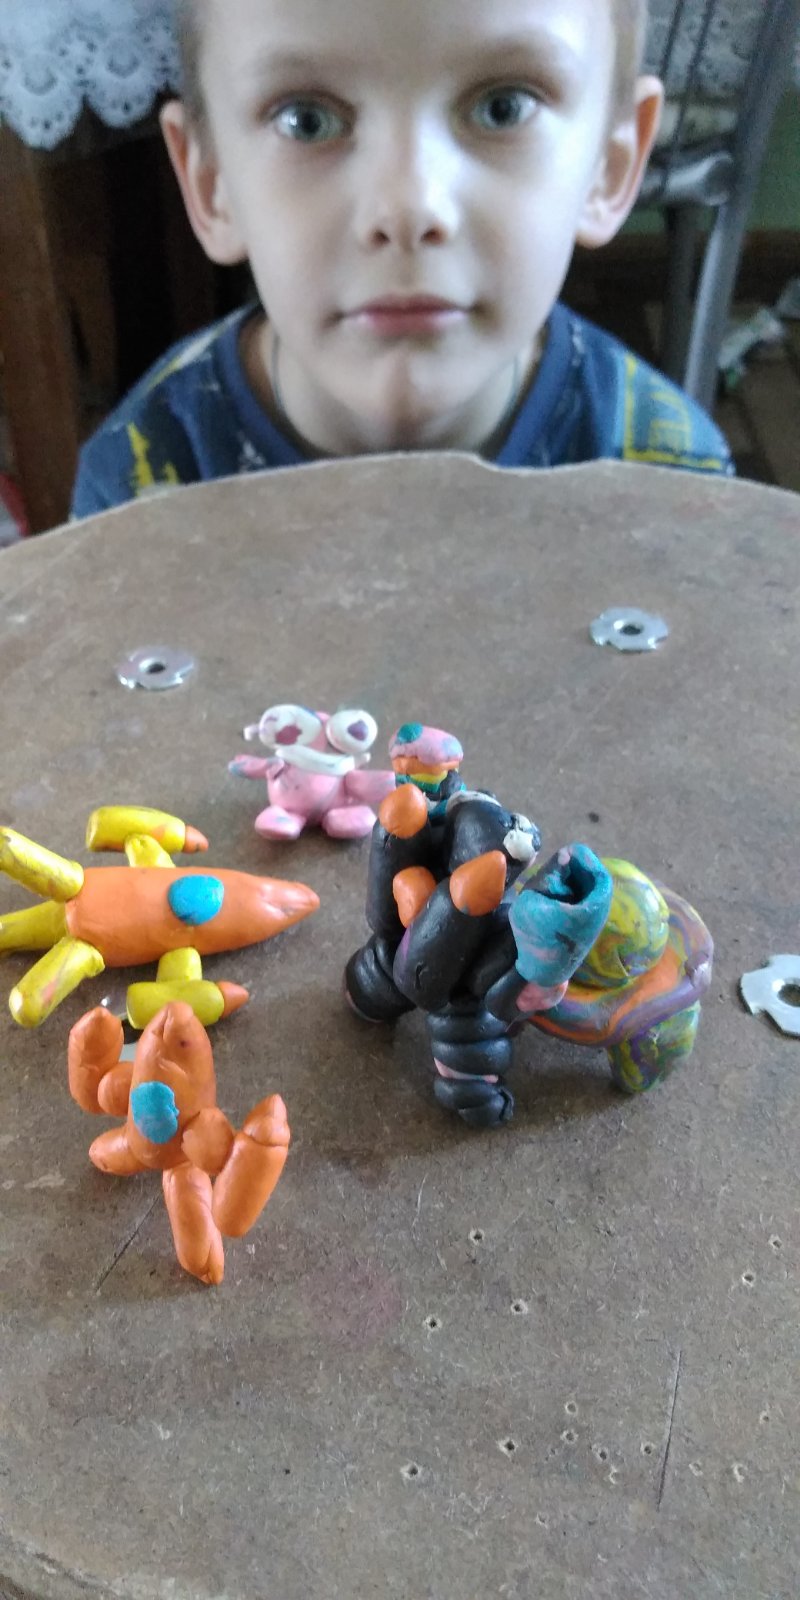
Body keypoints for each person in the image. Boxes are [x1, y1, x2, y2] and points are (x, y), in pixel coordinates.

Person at [71, 0, 732, 518]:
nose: (409, 207)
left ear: (608, 167)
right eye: (306, 119)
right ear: (211, 183)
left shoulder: (669, 476)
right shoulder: (141, 486)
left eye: (503, 108)